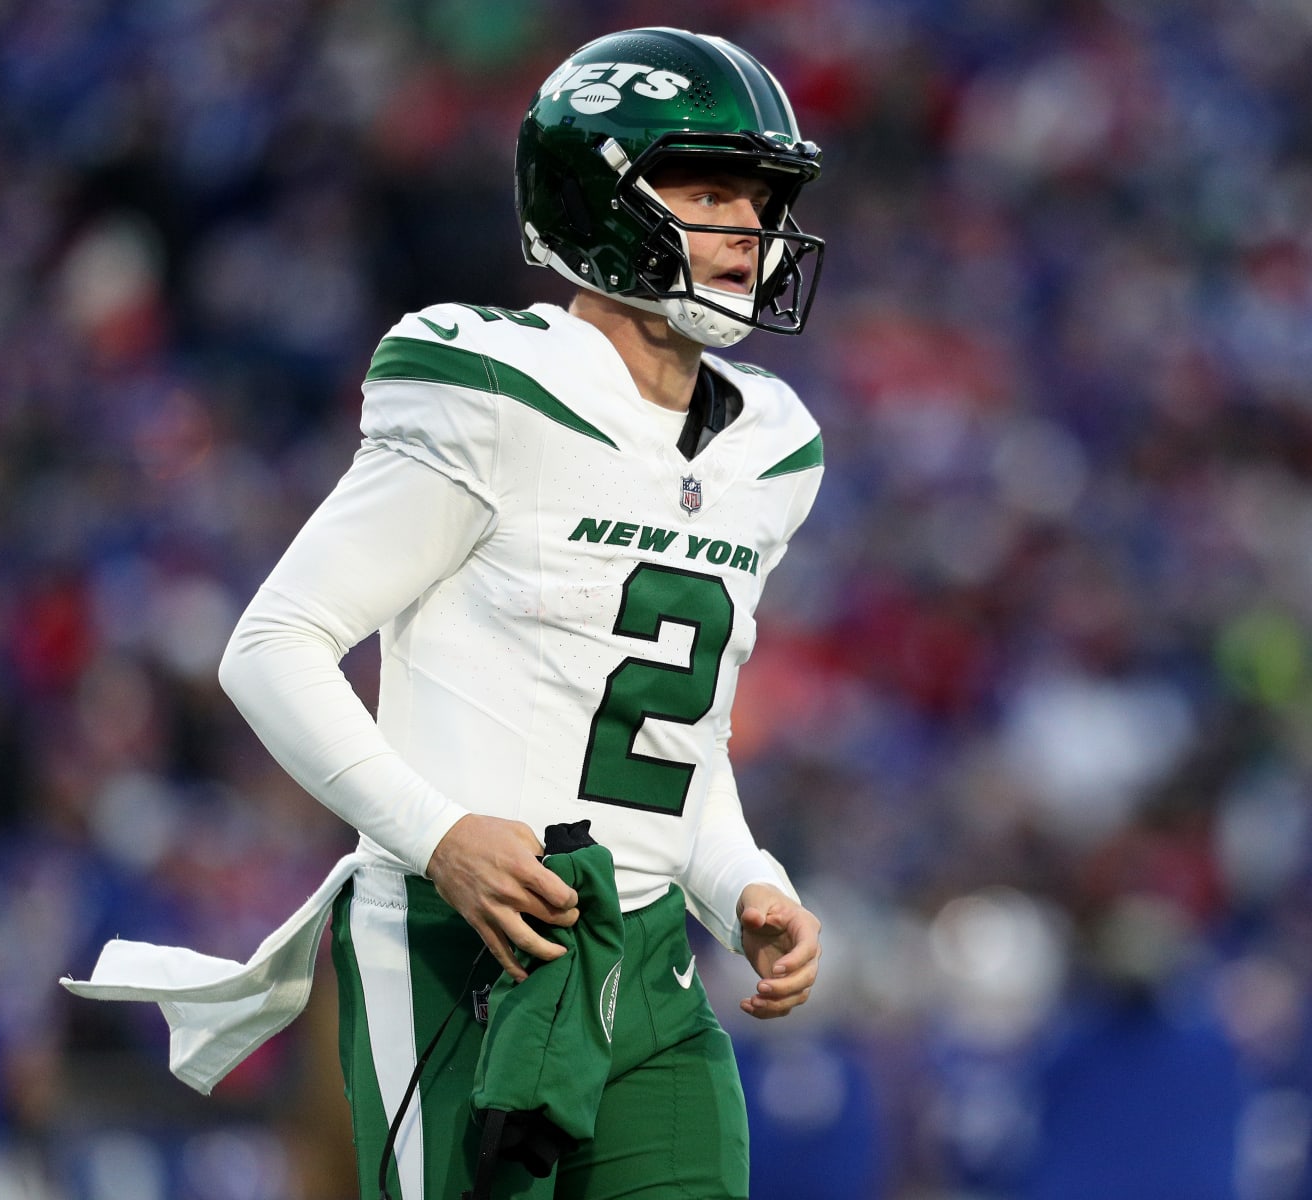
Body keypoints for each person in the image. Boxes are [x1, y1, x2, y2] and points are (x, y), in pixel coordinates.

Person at [66, 26, 829, 1200]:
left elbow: (676, 738)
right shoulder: (492, 390)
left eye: (761, 197)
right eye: (710, 190)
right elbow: (272, 650)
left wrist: (740, 884)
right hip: (454, 948)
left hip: (650, 968)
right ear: (600, 196)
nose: (748, 229)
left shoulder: (773, 449)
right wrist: (438, 836)